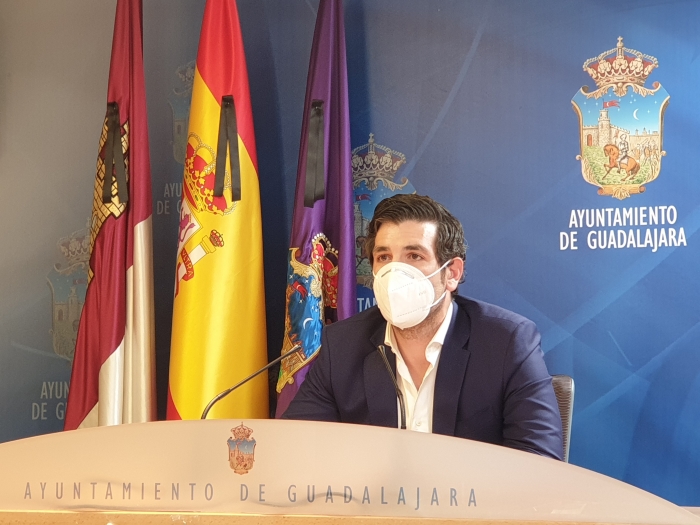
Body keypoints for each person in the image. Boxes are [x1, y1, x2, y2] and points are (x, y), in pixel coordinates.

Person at [282, 194, 563, 460]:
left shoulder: (506, 342)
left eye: (414, 256)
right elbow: (296, 449)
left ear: (452, 273)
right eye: (384, 257)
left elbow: (538, 460)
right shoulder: (342, 345)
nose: (395, 273)